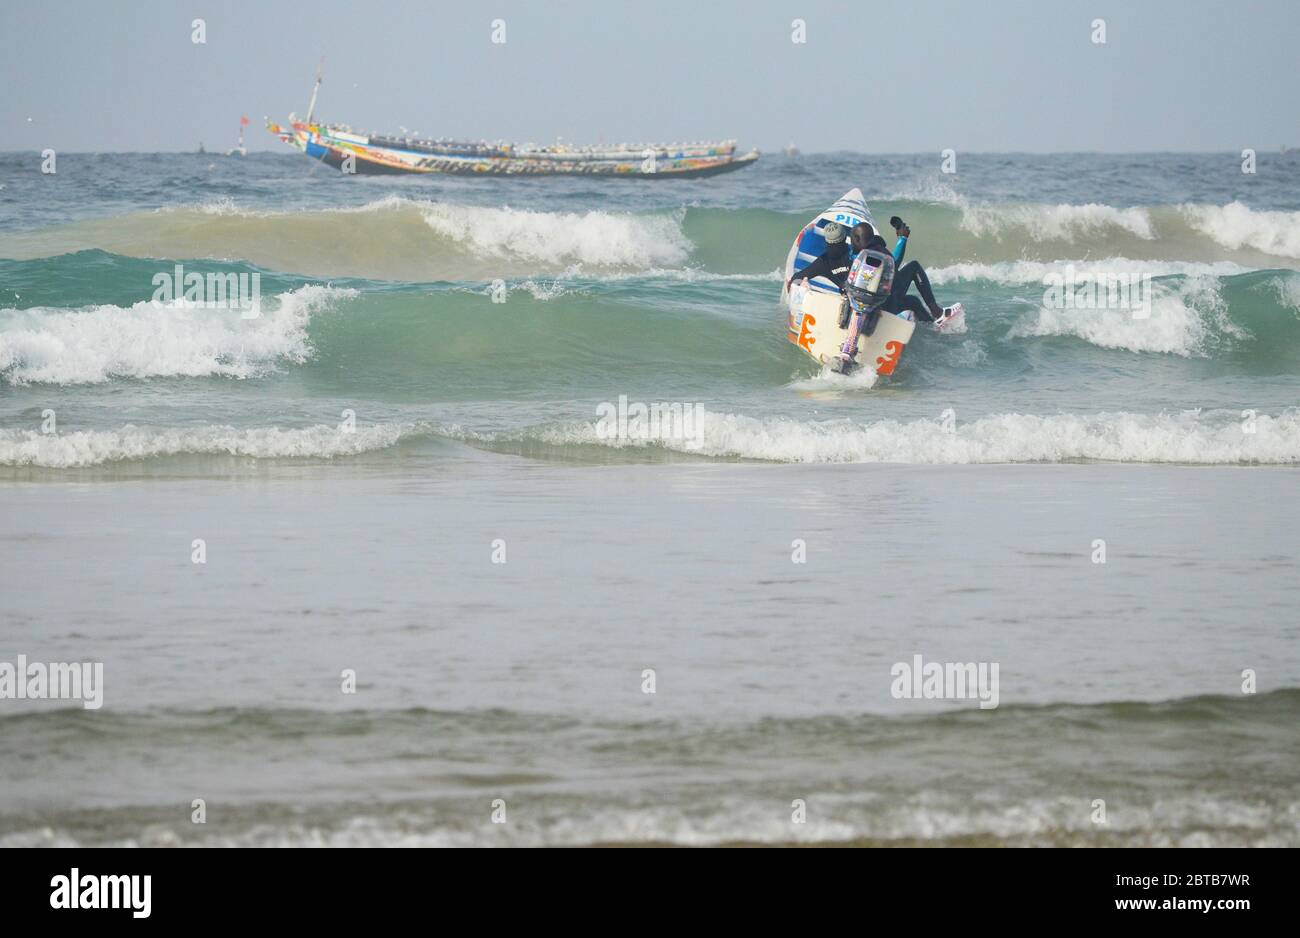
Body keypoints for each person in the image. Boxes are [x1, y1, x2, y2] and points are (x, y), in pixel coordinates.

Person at [785, 221, 854, 291]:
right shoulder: (855, 254)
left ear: (826, 240)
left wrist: (791, 285)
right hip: (856, 293)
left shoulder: (823, 262)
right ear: (845, 238)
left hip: (845, 293)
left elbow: (796, 278)